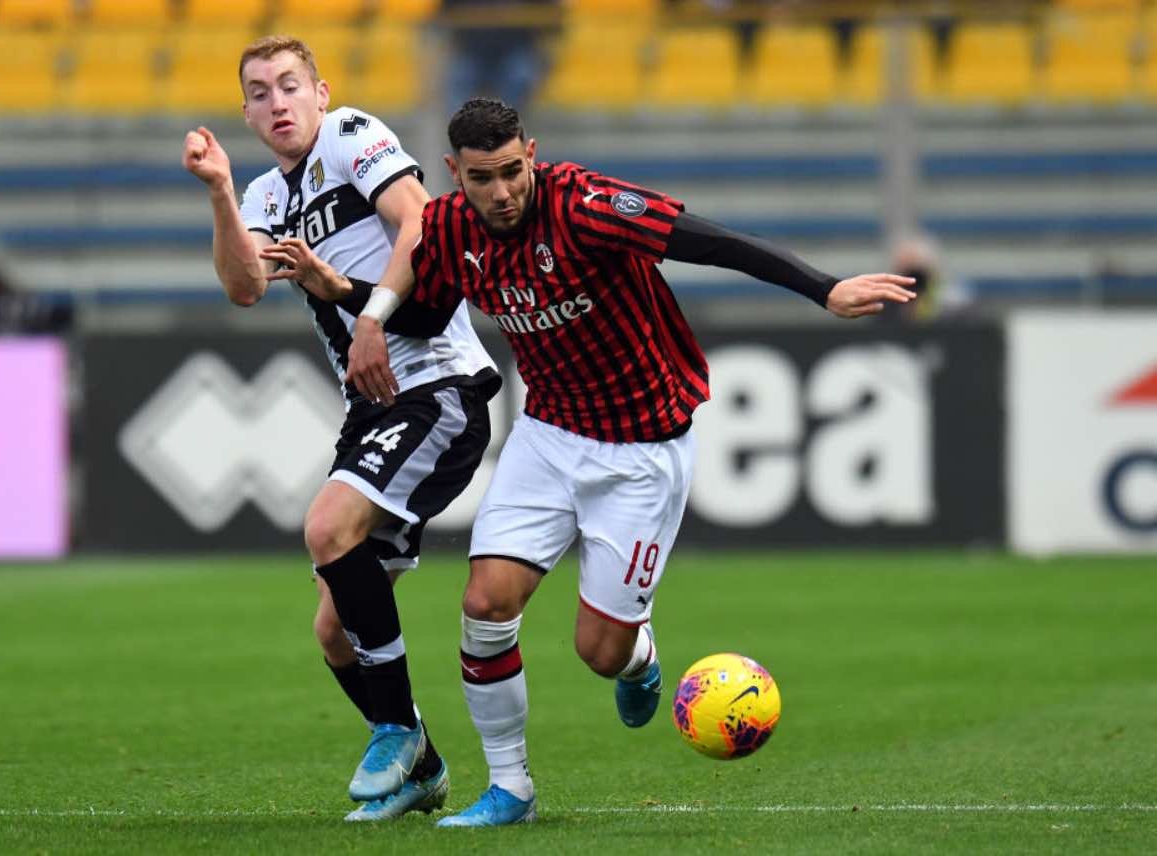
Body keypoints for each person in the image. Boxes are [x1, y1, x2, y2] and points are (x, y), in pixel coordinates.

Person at [276, 97, 915, 827]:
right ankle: (510, 789)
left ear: (532, 155)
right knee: (485, 607)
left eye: (514, 172)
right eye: (483, 178)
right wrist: (350, 297)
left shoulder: (586, 204)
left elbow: (708, 241)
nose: (503, 191)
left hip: (643, 449)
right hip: (547, 437)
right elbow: (424, 315)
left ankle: (639, 654)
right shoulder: (451, 230)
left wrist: (823, 288)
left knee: (599, 651)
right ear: (456, 174)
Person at [181, 38, 500, 822]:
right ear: (248, 113)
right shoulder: (261, 195)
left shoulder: (352, 136)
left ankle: (395, 728)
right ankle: (420, 763)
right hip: (375, 406)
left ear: (321, 93)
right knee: (335, 633)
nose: (277, 102)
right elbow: (244, 286)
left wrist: (371, 313)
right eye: (259, 92)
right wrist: (221, 190)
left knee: (326, 526)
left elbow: (422, 226)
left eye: (290, 86)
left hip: (436, 383)